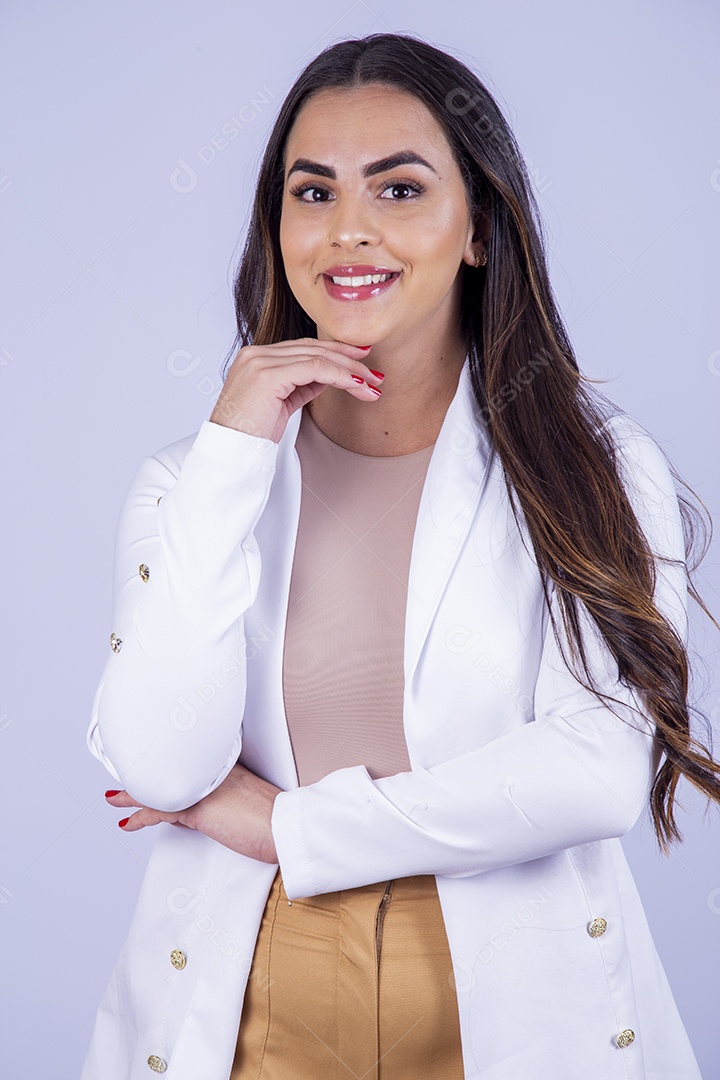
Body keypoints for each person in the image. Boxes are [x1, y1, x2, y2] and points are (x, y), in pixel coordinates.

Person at [81, 32, 719, 1080]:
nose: (349, 233)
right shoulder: (188, 481)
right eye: (314, 193)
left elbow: (594, 772)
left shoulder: (588, 465)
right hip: (249, 1003)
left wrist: (287, 827)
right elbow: (160, 762)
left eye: (401, 188)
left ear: (478, 226)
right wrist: (234, 448)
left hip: (511, 1011)